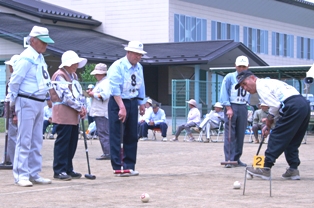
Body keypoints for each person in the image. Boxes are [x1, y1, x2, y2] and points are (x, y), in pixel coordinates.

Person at [235, 70, 310, 180]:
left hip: (292, 105)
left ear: (253, 78)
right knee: (293, 139)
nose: (245, 88)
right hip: (303, 105)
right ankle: (293, 169)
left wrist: (269, 124)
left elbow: (275, 106)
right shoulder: (272, 83)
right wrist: (269, 124)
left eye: (245, 84)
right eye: (242, 87)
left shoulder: (261, 86)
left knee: (276, 136)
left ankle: (265, 168)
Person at [8, 26, 54, 187]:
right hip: (26, 100)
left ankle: (34, 172)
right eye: (43, 42)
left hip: (38, 101)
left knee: (36, 139)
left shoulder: (39, 57)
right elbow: (14, 82)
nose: (45, 45)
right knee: (24, 139)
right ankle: (21, 174)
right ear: (33, 41)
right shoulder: (26, 58)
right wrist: (14, 103)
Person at [107, 40, 146, 176]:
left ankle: (129, 165)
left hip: (133, 100)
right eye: (136, 54)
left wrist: (142, 102)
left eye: (140, 55)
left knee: (131, 134)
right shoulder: (117, 66)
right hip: (118, 101)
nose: (138, 57)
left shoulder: (139, 67)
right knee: (116, 134)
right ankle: (117, 165)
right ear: (128, 52)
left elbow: (141, 85)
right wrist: (121, 107)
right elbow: (114, 87)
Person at [50, 50, 87, 180]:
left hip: (73, 114)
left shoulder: (74, 76)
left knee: (72, 142)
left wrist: (82, 107)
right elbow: (65, 96)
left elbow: (78, 93)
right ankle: (59, 169)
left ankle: (68, 168)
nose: (76, 65)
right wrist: (79, 107)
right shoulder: (59, 76)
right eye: (74, 63)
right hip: (63, 113)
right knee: (63, 142)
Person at [219, 55, 250, 168]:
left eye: (244, 66)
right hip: (232, 106)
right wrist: (228, 108)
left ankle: (237, 158)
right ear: (235, 66)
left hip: (243, 106)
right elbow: (224, 92)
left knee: (240, 134)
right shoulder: (230, 77)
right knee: (230, 134)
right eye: (239, 66)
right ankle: (229, 159)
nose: (241, 69)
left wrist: (249, 105)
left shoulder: (250, 77)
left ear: (247, 67)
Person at [88, 63, 111, 160]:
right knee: (102, 132)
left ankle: (108, 152)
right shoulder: (101, 83)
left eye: (98, 73)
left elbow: (104, 95)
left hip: (102, 112)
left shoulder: (105, 83)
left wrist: (93, 94)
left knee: (103, 132)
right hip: (99, 111)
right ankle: (107, 152)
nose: (96, 75)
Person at [3, 55, 20, 165]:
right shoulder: (12, 79)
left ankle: (14, 160)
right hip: (8, 110)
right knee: (9, 136)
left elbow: (15, 98)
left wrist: (14, 114)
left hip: (12, 111)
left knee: (12, 137)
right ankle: (8, 158)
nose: (9, 67)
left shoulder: (15, 80)